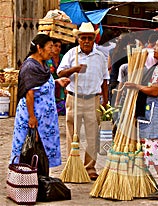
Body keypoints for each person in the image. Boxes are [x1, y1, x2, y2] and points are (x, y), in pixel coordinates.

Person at [124, 34, 158, 200]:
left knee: (155, 147)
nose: (154, 48)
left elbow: (155, 90)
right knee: (155, 147)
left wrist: (136, 86)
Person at [57, 22, 109, 180]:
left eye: (89, 38)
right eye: (83, 38)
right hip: (74, 98)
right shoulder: (72, 54)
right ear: (78, 39)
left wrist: (105, 102)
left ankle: (90, 167)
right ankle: (73, 165)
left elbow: (105, 81)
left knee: (92, 135)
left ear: (94, 39)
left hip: (93, 99)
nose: (86, 41)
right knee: (73, 134)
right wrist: (74, 69)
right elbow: (60, 73)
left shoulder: (100, 56)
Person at [10, 33, 70, 168]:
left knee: (41, 152)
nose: (52, 50)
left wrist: (57, 82)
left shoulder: (43, 64)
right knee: (28, 149)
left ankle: (39, 178)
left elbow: (41, 86)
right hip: (33, 116)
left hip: (45, 120)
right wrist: (32, 117)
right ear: (39, 48)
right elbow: (29, 93)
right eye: (50, 47)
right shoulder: (30, 66)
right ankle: (25, 180)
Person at [107, 33, 132, 106]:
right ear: (128, 42)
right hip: (125, 81)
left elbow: (108, 67)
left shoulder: (112, 51)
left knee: (112, 103)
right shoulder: (129, 53)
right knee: (122, 103)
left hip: (113, 79)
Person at [46, 38, 66, 115]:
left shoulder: (63, 57)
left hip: (61, 86)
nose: (57, 48)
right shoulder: (47, 58)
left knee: (62, 105)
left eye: (59, 46)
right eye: (55, 46)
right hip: (50, 83)